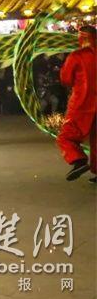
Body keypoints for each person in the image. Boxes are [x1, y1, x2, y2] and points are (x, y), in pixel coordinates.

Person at [57, 25, 96, 182]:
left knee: (65, 136)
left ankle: (78, 160)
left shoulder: (76, 56)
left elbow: (66, 79)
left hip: (83, 102)